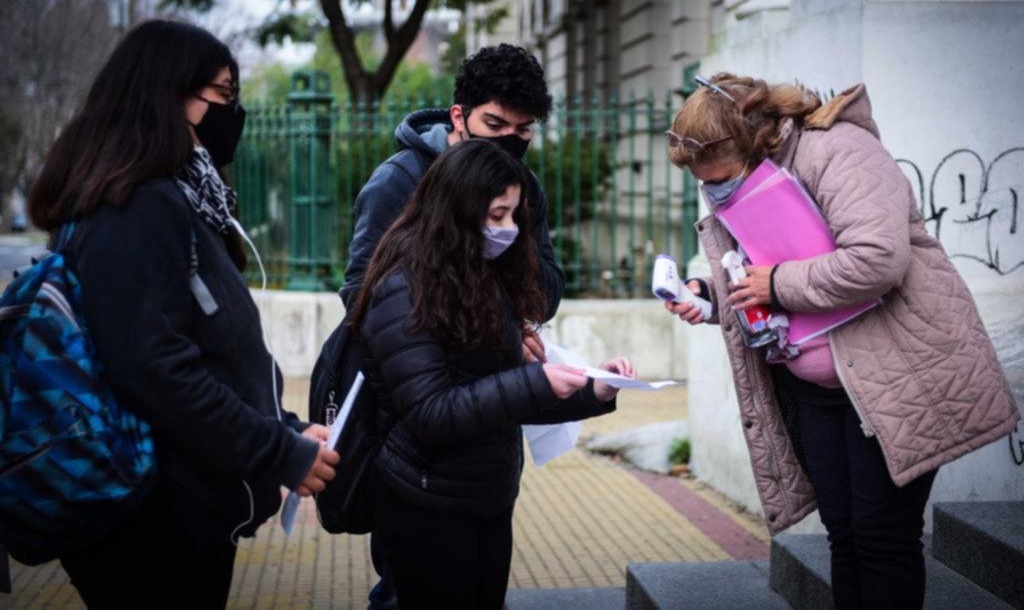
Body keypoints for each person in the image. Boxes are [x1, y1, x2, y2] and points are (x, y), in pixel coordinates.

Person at [664, 73, 1019, 610]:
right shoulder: (756, 172)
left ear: (755, 139)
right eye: (706, 184)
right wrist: (711, 296)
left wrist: (777, 285)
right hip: (816, 389)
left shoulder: (840, 151)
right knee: (844, 536)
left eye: (722, 178)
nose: (717, 193)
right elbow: (761, 267)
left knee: (882, 538)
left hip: (890, 379)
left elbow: (876, 259)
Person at [27, 20, 340, 608]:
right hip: (150, 517)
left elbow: (215, 348)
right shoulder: (137, 206)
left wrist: (286, 428)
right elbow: (156, 369)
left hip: (177, 501)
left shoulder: (173, 197)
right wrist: (278, 453)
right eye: (224, 94)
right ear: (170, 94)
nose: (234, 112)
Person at [349, 139, 630, 609]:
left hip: (488, 498)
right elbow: (431, 413)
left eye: (513, 216)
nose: (508, 230)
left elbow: (501, 396)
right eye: (496, 215)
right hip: (428, 506)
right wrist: (535, 381)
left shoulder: (478, 274)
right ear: (456, 211)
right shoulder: (401, 289)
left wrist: (595, 389)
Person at [337, 44, 562, 607]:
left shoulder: (523, 186)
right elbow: (361, 295)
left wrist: (512, 314)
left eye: (523, 129)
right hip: (413, 434)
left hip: (488, 434)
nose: (510, 139)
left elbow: (546, 284)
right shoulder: (400, 180)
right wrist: (454, 329)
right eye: (495, 123)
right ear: (458, 116)